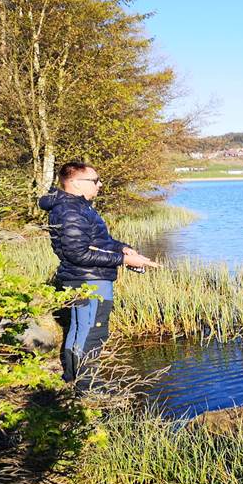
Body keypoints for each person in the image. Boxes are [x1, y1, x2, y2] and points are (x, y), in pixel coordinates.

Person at [38, 162, 159, 392]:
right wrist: (123, 261)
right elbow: (78, 253)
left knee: (80, 328)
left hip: (86, 278)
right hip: (89, 280)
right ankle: (88, 387)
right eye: (95, 181)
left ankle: (73, 379)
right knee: (92, 332)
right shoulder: (70, 211)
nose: (100, 184)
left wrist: (122, 248)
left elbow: (99, 242)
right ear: (75, 183)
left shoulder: (78, 207)